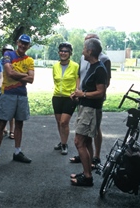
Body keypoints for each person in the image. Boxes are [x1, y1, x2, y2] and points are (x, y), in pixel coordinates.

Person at [0, 34, 34, 167]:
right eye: (21, 43)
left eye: (26, 44)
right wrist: (25, 74)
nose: (23, 46)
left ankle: (17, 152)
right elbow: (9, 73)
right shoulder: (8, 54)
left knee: (19, 124)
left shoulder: (29, 60)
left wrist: (18, 74)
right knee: (2, 123)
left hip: (22, 95)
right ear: (17, 42)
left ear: (28, 46)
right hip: (7, 94)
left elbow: (31, 79)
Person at [70, 38, 107, 187]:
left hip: (90, 111)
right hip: (85, 108)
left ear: (90, 51)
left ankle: (87, 177)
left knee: (79, 142)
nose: (82, 51)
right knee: (87, 141)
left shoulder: (99, 68)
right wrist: (78, 94)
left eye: (84, 48)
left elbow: (100, 92)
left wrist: (83, 95)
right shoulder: (92, 66)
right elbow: (89, 89)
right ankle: (87, 170)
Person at [52, 42, 79, 155]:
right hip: (57, 96)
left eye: (66, 51)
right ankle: (62, 140)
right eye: (61, 51)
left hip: (70, 97)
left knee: (64, 122)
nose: (63, 53)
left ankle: (64, 144)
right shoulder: (55, 66)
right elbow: (55, 81)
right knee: (59, 122)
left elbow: (78, 82)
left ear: (70, 53)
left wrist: (76, 93)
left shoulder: (75, 66)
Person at [1, 44, 15, 139]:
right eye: (5, 50)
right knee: (3, 111)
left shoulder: (14, 62)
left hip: (12, 89)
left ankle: (12, 130)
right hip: (2, 89)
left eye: (9, 51)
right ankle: (4, 128)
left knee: (12, 112)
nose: (7, 52)